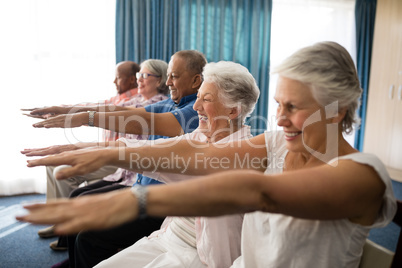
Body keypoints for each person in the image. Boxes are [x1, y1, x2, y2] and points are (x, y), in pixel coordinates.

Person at [19, 42, 397, 268]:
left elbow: (255, 192)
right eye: (278, 104)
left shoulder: (364, 174)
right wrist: (100, 150)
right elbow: (191, 155)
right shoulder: (276, 142)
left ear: (337, 109)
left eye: (293, 107)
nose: (279, 118)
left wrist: (137, 199)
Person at [23, 50, 207, 268]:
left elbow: (138, 120)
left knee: (87, 236)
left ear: (196, 80)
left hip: (160, 204)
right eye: (167, 75)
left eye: (174, 76)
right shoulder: (171, 104)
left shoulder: (194, 112)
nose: (168, 83)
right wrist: (68, 111)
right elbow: (119, 109)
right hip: (139, 192)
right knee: (80, 218)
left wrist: (83, 119)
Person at [21, 60, 140, 240]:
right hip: (106, 152)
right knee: (53, 164)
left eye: (118, 78)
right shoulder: (118, 98)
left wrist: (66, 113)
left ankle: (65, 228)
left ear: (132, 79)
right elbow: (90, 105)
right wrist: (59, 112)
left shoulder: (139, 100)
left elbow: (101, 110)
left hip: (116, 158)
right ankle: (58, 221)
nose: (114, 82)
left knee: (64, 170)